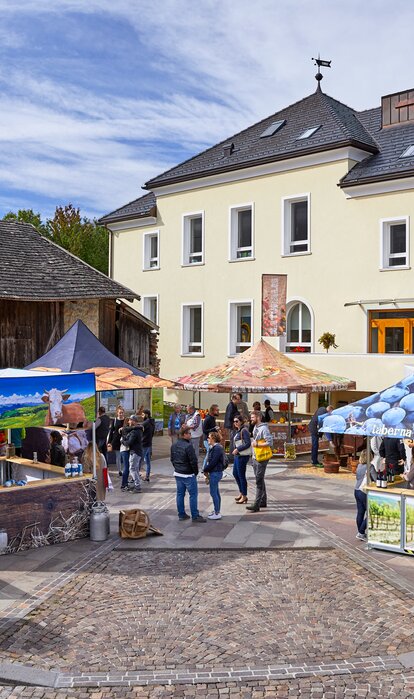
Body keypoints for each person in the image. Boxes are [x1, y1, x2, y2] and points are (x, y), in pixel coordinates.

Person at [170, 426, 206, 522]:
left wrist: (177, 468)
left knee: (180, 494)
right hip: (188, 474)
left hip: (178, 473)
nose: (190, 435)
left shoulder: (174, 445)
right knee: (193, 495)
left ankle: (181, 514)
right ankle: (195, 515)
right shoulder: (188, 446)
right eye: (189, 433)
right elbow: (193, 461)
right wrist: (195, 472)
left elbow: (172, 459)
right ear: (184, 434)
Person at [246, 410, 273, 513]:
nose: (251, 419)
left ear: (258, 417)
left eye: (252, 417)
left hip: (262, 457)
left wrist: (257, 445)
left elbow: (269, 442)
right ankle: (263, 500)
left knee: (258, 481)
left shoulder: (264, 428)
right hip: (255, 456)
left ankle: (256, 504)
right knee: (260, 479)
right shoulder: (256, 427)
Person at [203, 431, 226, 520]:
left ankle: (217, 513)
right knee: (216, 492)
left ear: (213, 438)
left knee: (213, 493)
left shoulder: (217, 448)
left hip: (215, 473)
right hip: (215, 472)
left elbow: (213, 462)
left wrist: (205, 469)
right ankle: (217, 510)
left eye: (209, 437)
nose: (207, 439)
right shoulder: (215, 447)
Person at [232, 415, 251, 504]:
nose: (235, 423)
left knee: (241, 475)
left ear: (241, 421)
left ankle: (244, 495)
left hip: (242, 456)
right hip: (237, 456)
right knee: (235, 473)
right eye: (234, 421)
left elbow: (248, 443)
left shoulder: (244, 430)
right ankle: (241, 492)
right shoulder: (238, 430)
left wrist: (238, 449)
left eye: (237, 421)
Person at [122, 415, 143, 493]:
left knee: (132, 469)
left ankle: (137, 486)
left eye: (130, 420)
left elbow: (129, 443)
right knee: (136, 469)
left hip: (135, 452)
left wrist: (122, 441)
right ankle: (137, 484)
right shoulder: (138, 430)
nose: (129, 422)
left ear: (134, 421)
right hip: (138, 452)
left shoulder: (135, 432)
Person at [107, 405, 126, 476]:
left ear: (124, 413)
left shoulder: (126, 420)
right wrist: (109, 442)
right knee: (118, 457)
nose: (121, 414)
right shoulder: (114, 420)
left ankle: (125, 470)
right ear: (117, 413)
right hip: (116, 441)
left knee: (124, 456)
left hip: (124, 441)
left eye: (122, 412)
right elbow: (111, 431)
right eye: (119, 413)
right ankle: (119, 471)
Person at [202, 404, 219, 469]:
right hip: (207, 439)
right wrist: (214, 429)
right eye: (217, 410)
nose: (218, 411)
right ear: (212, 411)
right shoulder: (208, 418)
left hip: (212, 439)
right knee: (209, 453)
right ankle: (204, 468)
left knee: (211, 454)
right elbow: (204, 431)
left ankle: (209, 468)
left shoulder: (213, 418)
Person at [141, 409, 155, 481]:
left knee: (140, 461)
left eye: (143, 414)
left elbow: (140, 428)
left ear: (146, 415)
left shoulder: (146, 423)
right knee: (148, 461)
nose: (141, 416)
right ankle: (147, 476)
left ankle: (136, 476)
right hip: (149, 443)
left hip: (144, 444)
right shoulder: (152, 421)